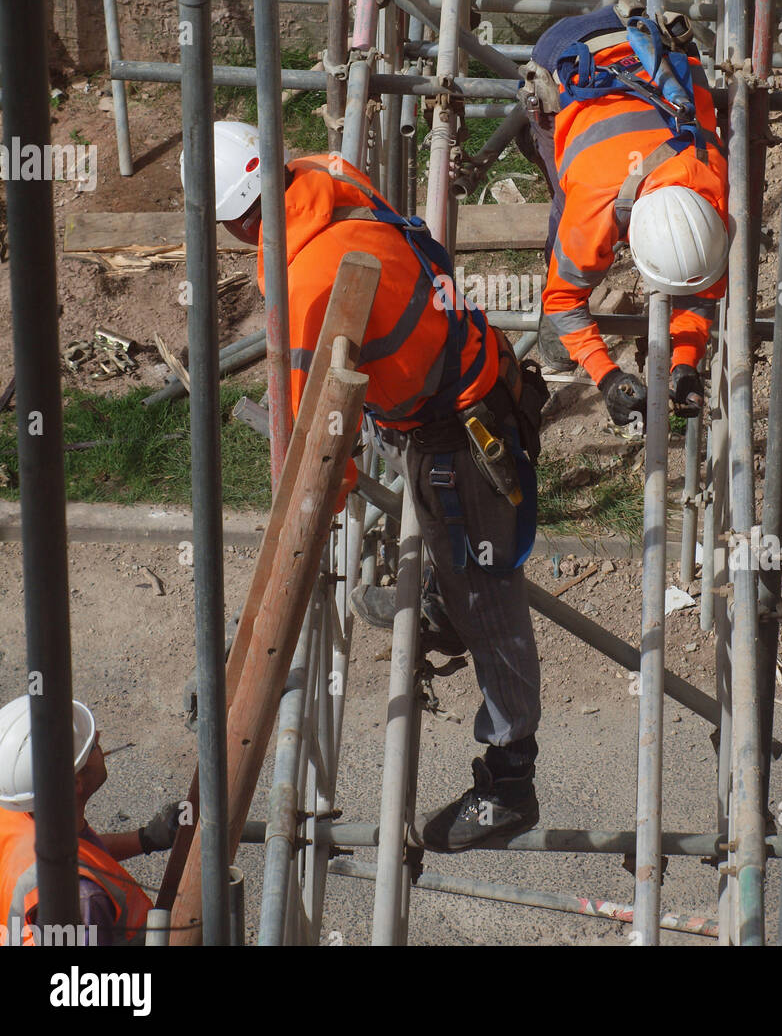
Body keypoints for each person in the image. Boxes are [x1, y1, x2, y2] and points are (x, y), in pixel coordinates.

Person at [189, 127, 549, 851]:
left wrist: (314, 512)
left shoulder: (307, 287)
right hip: (468, 378)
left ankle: (511, 778)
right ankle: (444, 605)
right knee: (455, 558)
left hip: (459, 436)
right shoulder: (326, 172)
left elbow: (314, 448)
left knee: (491, 599)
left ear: (231, 218)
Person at [520, 3, 730, 427]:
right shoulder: (592, 206)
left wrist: (685, 360)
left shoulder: (711, 190)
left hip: (644, 34)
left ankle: (566, 343)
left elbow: (703, 289)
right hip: (567, 52)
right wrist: (605, 373)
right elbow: (563, 301)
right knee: (563, 205)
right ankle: (557, 348)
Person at [0, 695, 179, 945]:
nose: (99, 737)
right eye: (92, 747)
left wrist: (146, 838)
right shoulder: (85, 901)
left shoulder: (15, 813)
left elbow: (83, 853)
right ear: (75, 783)